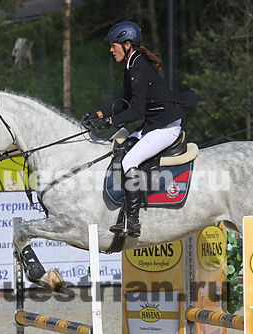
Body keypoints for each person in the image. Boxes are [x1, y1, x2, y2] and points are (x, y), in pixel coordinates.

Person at [83, 21, 197, 237]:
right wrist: (99, 114)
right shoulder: (131, 65)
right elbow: (123, 101)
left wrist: (110, 122)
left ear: (127, 44)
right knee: (120, 150)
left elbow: (135, 111)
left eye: (113, 45)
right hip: (153, 125)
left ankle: (133, 221)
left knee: (129, 161)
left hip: (165, 128)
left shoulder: (139, 68)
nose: (111, 50)